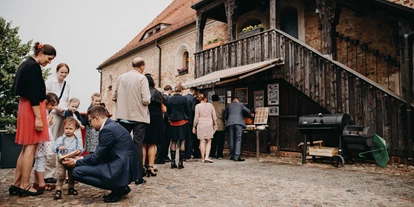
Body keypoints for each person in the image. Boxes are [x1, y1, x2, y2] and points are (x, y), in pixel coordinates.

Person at [62, 106, 138, 203]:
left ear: (97, 118)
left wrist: (76, 162)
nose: (90, 124)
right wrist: (81, 157)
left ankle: (118, 188)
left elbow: (96, 158)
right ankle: (120, 186)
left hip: (118, 167)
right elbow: (100, 153)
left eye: (90, 121)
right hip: (121, 164)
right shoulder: (111, 125)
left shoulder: (107, 130)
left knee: (77, 172)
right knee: (82, 167)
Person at [9, 42, 56, 196]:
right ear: (41, 53)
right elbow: (34, 94)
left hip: (25, 106)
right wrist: (39, 118)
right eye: (48, 59)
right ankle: (24, 185)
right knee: (31, 147)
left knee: (25, 148)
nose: (49, 63)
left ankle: (17, 183)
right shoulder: (34, 67)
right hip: (32, 108)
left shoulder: (25, 64)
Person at [112, 57, 150, 185]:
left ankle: (121, 172)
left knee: (122, 145)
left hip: (123, 115)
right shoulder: (142, 78)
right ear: (142, 67)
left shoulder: (121, 77)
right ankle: (138, 177)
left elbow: (114, 96)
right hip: (138, 116)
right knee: (137, 145)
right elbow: (146, 99)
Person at [44, 63, 71, 184]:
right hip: (53, 114)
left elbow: (65, 100)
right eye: (62, 72)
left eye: (66, 72)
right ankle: (48, 173)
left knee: (61, 142)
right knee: (51, 141)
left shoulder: (67, 84)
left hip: (63, 114)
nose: (64, 75)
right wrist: (56, 109)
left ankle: (61, 171)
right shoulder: (50, 82)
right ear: (57, 71)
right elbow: (47, 99)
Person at [32, 93, 59, 193]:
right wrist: (49, 120)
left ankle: (37, 182)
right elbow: (44, 125)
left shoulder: (43, 110)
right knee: (41, 160)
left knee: (38, 160)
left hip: (42, 139)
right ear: (46, 102)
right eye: (52, 105)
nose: (52, 108)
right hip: (43, 140)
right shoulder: (44, 111)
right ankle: (42, 183)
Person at [53, 117, 83, 200]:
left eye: (70, 129)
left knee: (72, 175)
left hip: (72, 161)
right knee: (61, 175)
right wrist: (59, 147)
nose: (68, 130)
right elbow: (54, 147)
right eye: (66, 128)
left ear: (75, 129)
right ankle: (58, 189)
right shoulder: (61, 139)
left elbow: (81, 148)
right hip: (62, 160)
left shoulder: (77, 140)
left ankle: (71, 188)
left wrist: (78, 151)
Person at [143, 74, 165, 177]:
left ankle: (142, 166)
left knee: (143, 144)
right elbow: (164, 109)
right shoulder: (158, 93)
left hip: (144, 118)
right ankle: (151, 167)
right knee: (152, 144)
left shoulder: (142, 92)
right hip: (156, 119)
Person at [167, 84, 190, 169]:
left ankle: (173, 162)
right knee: (182, 141)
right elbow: (187, 110)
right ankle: (180, 162)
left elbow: (168, 110)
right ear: (181, 90)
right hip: (182, 121)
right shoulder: (184, 99)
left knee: (173, 141)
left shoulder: (170, 99)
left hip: (173, 122)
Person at [224, 97, 253, 162]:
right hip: (239, 123)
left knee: (231, 139)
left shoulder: (228, 106)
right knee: (238, 139)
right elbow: (248, 111)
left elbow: (225, 116)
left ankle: (232, 155)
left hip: (230, 123)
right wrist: (252, 113)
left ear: (232, 101)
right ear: (238, 100)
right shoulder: (241, 104)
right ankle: (237, 156)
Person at [192, 94, 218, 163]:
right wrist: (215, 124)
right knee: (209, 141)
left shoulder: (197, 106)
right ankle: (207, 156)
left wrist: (194, 126)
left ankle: (203, 158)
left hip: (201, 124)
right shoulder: (210, 105)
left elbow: (196, 118)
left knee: (202, 141)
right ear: (205, 98)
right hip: (209, 124)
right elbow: (214, 115)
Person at [155, 84, 172, 164]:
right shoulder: (167, 98)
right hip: (165, 122)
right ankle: (162, 156)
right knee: (164, 140)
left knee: (161, 140)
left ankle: (161, 156)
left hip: (160, 122)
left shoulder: (162, 98)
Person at [184, 87, 200, 160]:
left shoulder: (184, 98)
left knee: (185, 137)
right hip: (191, 120)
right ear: (193, 91)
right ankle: (188, 154)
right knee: (191, 138)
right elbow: (193, 110)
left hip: (184, 120)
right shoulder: (193, 99)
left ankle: (184, 153)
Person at [210, 94, 226, 160]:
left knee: (212, 140)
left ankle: (212, 153)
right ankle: (220, 154)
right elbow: (224, 116)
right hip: (221, 124)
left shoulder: (210, 106)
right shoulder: (222, 106)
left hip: (212, 124)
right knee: (220, 141)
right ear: (218, 99)